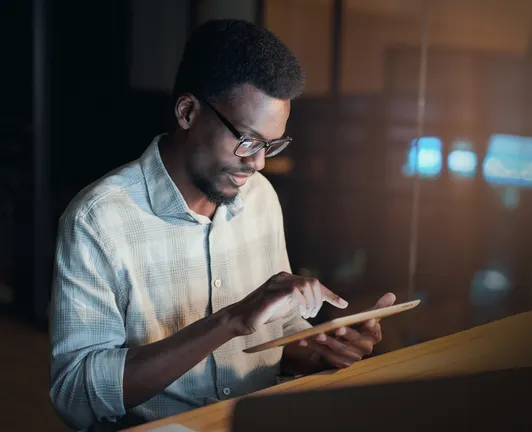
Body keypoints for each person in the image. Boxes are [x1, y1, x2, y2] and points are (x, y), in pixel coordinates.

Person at [49, 19, 395, 431]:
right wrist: (229, 322)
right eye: (247, 140)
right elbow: (75, 397)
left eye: (271, 145)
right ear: (188, 112)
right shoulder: (99, 220)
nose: (259, 163)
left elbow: (276, 340)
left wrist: (320, 347)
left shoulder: (260, 197)